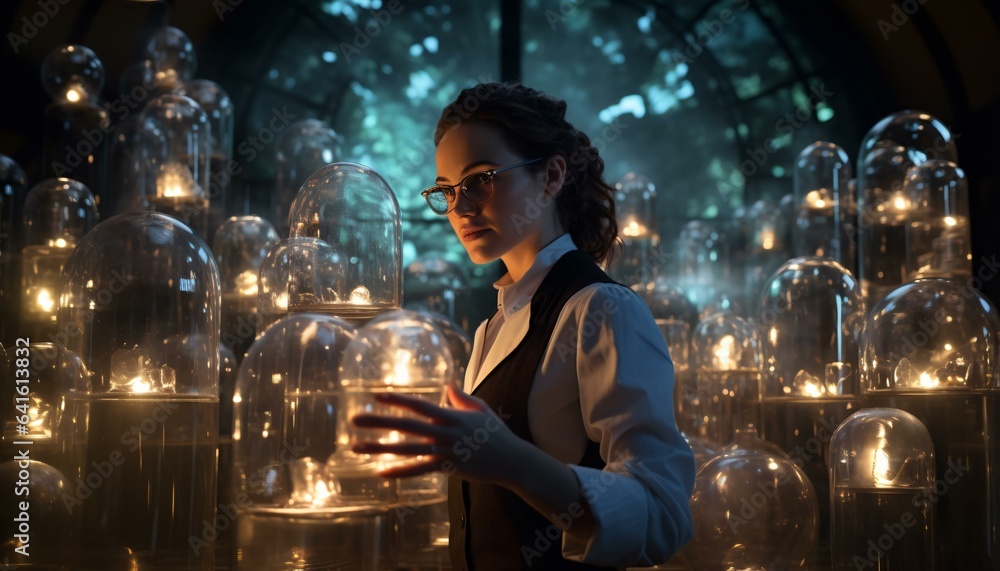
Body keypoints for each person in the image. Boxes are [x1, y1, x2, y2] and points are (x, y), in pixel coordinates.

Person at [351, 82, 695, 570]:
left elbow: (663, 516)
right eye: (446, 191)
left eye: (480, 180)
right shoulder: (492, 326)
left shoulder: (603, 309)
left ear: (553, 175)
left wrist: (511, 461)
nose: (460, 208)